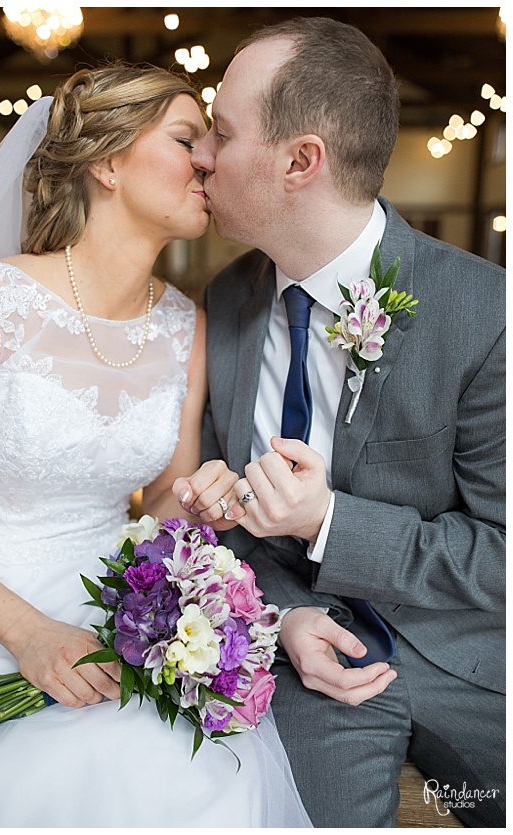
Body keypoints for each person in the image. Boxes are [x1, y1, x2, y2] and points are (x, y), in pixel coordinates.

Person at [0, 65, 311, 826]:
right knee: (86, 765)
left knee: (198, 761)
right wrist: (28, 633)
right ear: (108, 163)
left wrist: (203, 503)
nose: (209, 161)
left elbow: (160, 505)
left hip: (120, 609)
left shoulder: (187, 325)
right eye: (188, 139)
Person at [179, 17, 505, 827]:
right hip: (306, 663)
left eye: (220, 132)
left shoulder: (485, 314)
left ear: (301, 161)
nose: (202, 157)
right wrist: (280, 616)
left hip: (475, 662)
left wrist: (330, 520)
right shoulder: (225, 303)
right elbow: (232, 536)